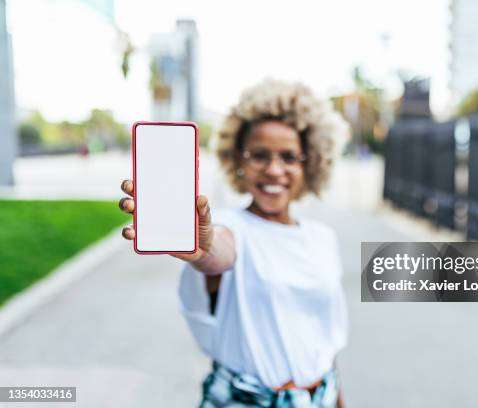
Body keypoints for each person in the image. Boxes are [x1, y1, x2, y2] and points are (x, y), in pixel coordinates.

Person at [118, 79, 349, 407]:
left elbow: (324, 337)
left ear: (308, 163)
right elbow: (217, 254)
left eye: (288, 157)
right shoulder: (231, 227)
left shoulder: (323, 239)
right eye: (259, 156)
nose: (274, 169)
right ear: (238, 162)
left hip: (322, 396)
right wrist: (203, 247)